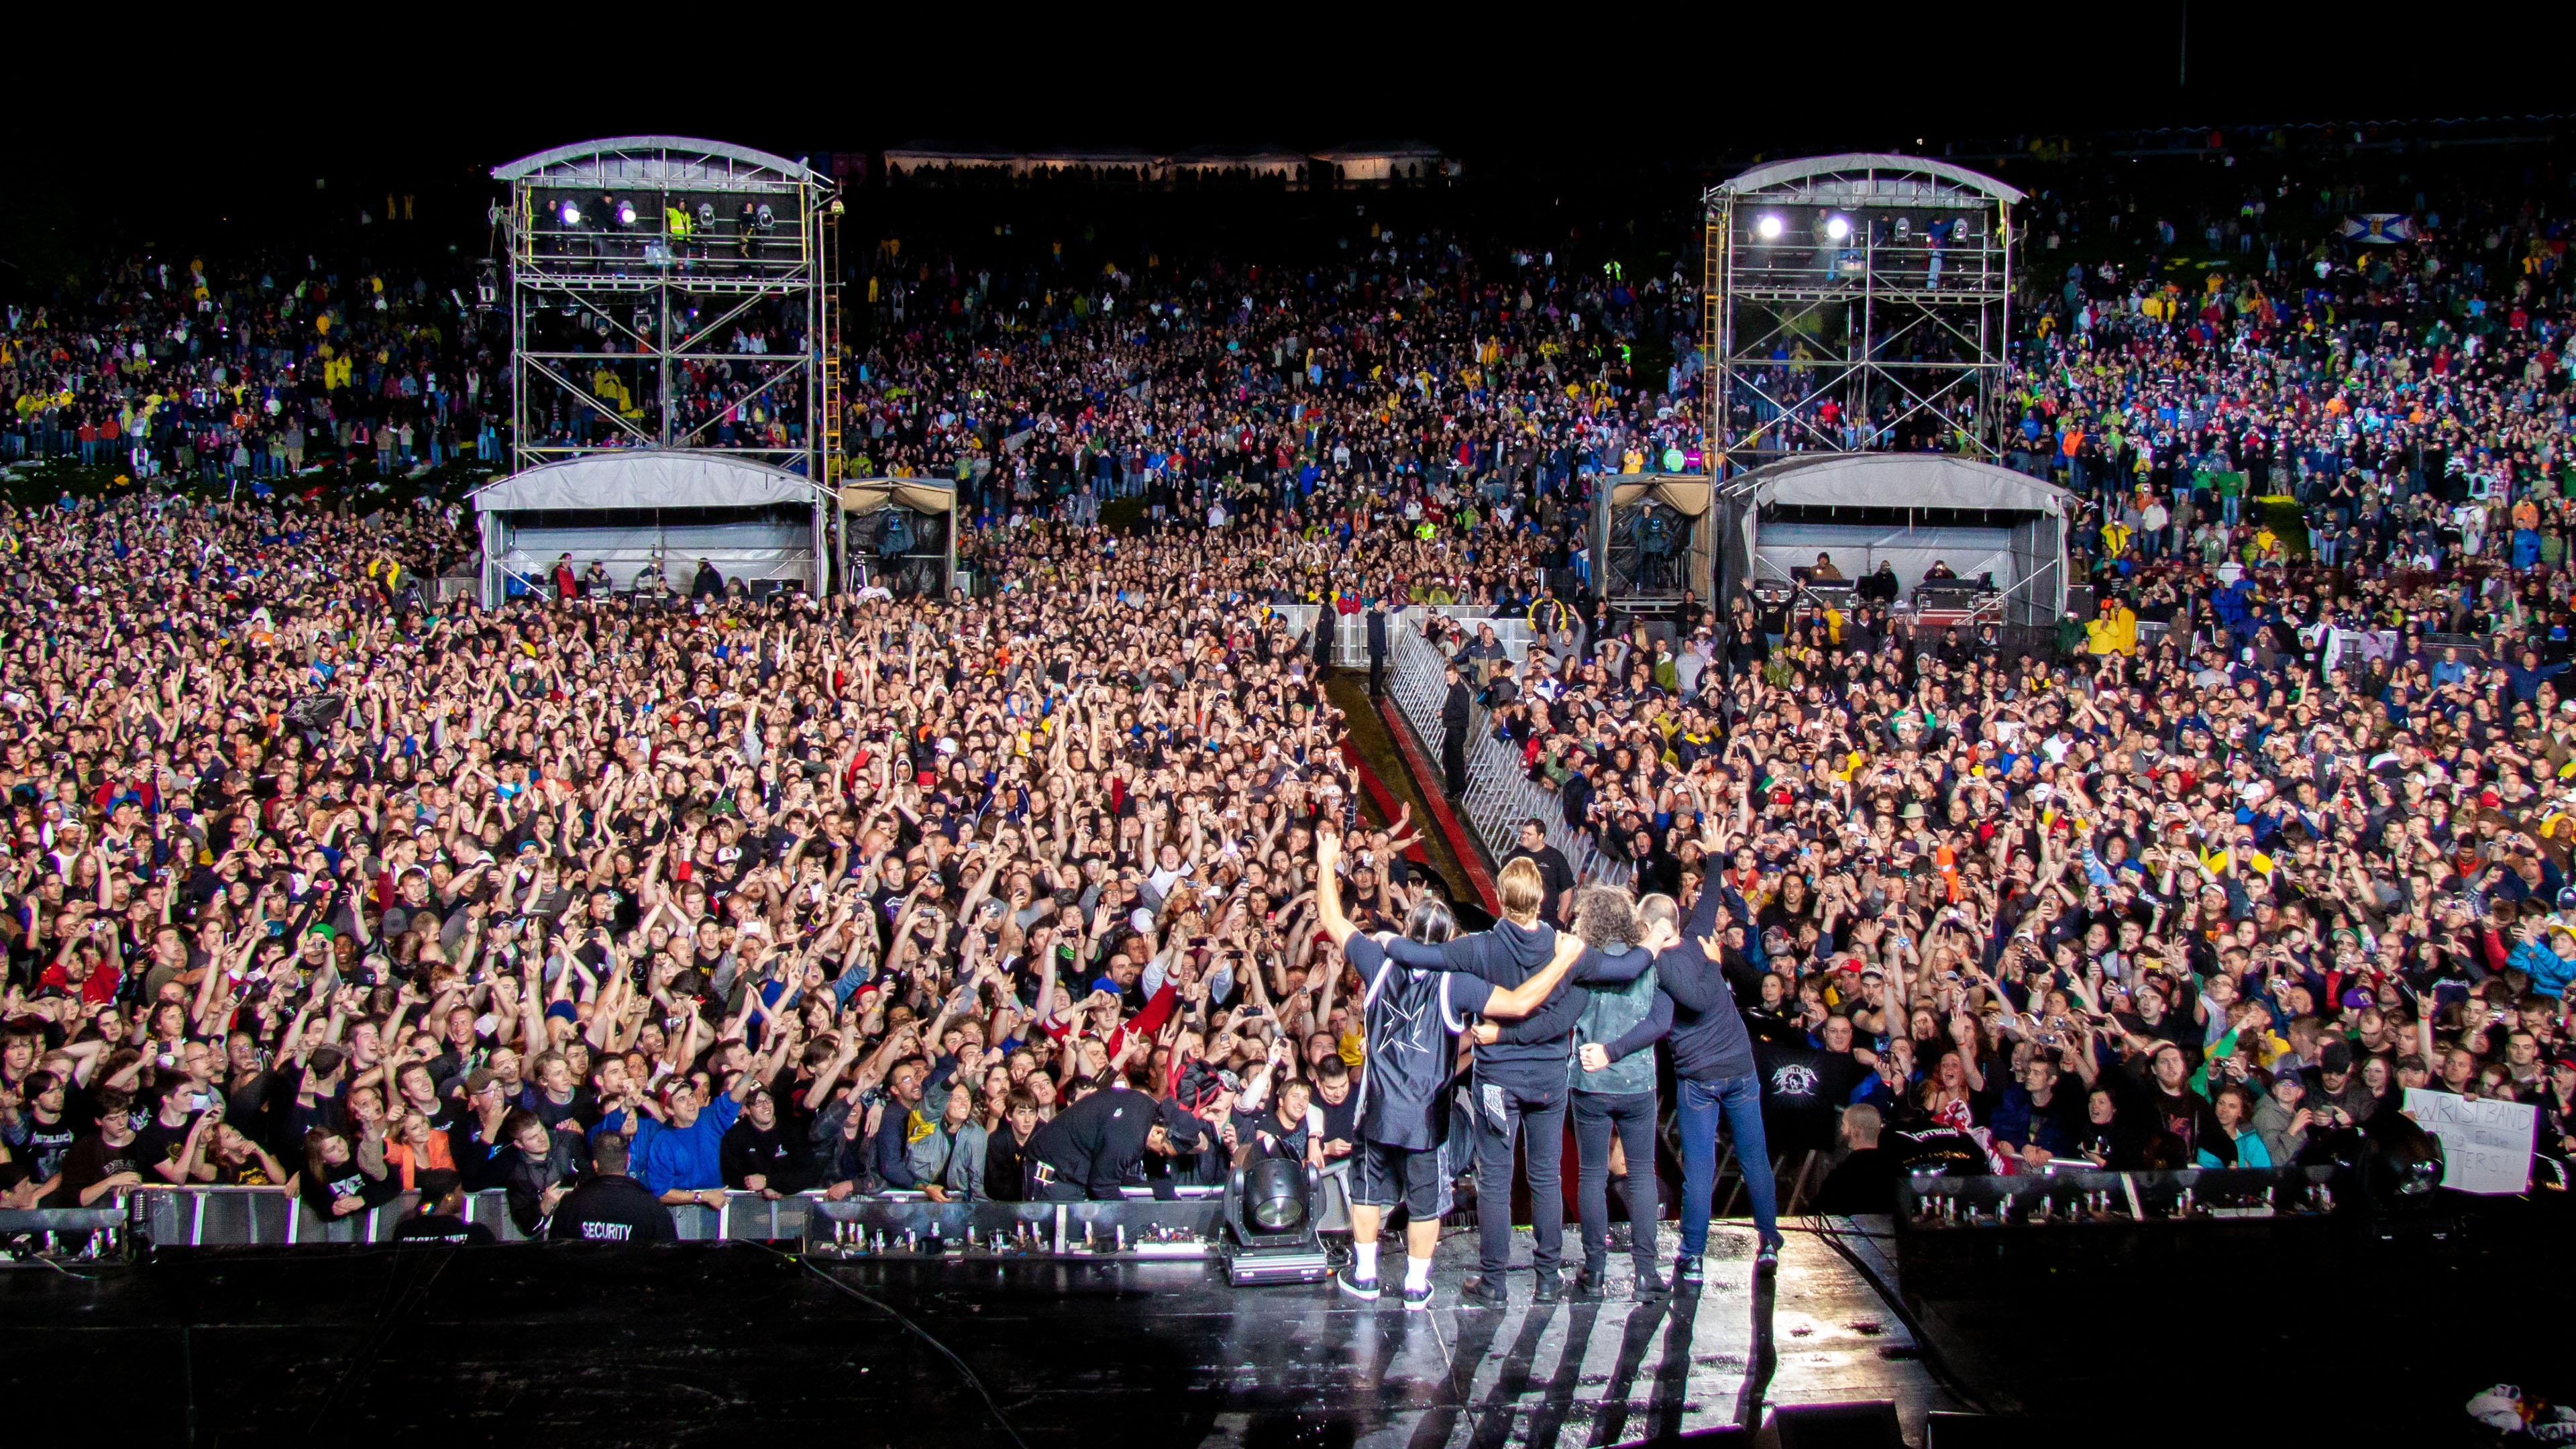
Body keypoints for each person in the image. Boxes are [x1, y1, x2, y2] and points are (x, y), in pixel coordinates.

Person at [1313, 825, 1587, 1311]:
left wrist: (1326, 859)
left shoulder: (1379, 959)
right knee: (1423, 1200)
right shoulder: (1455, 983)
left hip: (1376, 1107)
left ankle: (1368, 1273)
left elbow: (1331, 918)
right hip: (1427, 1115)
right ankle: (1417, 1286)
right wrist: (1563, 961)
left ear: (1409, 930)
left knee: (1368, 1191)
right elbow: (1522, 1003)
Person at [1586, 871, 1784, 1281]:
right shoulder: (1697, 938)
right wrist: (1714, 856)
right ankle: (1768, 1241)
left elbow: (1683, 1005)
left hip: (1702, 1080)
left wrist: (1610, 1051)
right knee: (1755, 1159)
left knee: (1699, 1169)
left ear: (1653, 928)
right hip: (1740, 1069)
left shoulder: (1659, 967)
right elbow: (1710, 897)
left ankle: (1693, 1254)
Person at [548, 1134, 676, 1243]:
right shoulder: (652, 1207)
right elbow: (668, 1257)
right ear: (628, 1160)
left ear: (595, 1165)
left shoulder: (570, 1205)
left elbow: (556, 1254)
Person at [1812, 1104, 1897, 1216]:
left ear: (1855, 1130)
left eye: (1844, 1124)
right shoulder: (1896, 1169)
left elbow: (1815, 1214)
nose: (1842, 1129)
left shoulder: (1841, 1176)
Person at [1440, 662, 1471, 796]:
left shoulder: (1460, 691)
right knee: (1449, 759)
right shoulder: (1455, 689)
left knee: (1454, 760)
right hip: (1454, 728)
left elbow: (1462, 711)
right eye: (1447, 675)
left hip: (1457, 729)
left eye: (1450, 675)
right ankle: (1454, 788)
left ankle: (1457, 789)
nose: (1448, 678)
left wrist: (1444, 714)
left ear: (1456, 675)